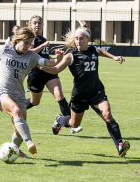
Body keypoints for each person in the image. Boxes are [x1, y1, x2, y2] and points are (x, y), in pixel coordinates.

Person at [0, 27, 64, 157]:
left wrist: (58, 59)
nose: (29, 46)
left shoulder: (31, 55)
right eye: (26, 43)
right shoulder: (5, 50)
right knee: (16, 111)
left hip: (19, 95)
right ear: (17, 40)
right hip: (2, 92)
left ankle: (15, 149)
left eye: (31, 43)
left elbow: (49, 63)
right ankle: (29, 143)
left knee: (19, 131)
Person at [38, 21, 130, 157]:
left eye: (81, 38)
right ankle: (59, 120)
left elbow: (101, 51)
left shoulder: (93, 49)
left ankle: (120, 145)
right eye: (76, 38)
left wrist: (114, 57)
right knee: (74, 124)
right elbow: (56, 69)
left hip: (96, 91)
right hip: (80, 95)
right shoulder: (71, 56)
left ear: (88, 39)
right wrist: (42, 67)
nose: (78, 41)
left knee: (107, 115)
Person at [26, 15, 83, 135]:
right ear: (30, 25)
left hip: (48, 72)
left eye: (39, 23)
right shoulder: (31, 38)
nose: (37, 25)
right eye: (35, 23)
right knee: (34, 102)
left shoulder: (43, 38)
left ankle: (71, 123)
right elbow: (29, 53)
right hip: (36, 75)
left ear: (43, 24)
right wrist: (42, 45)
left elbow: (45, 57)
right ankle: (15, 107)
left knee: (60, 96)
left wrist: (56, 59)